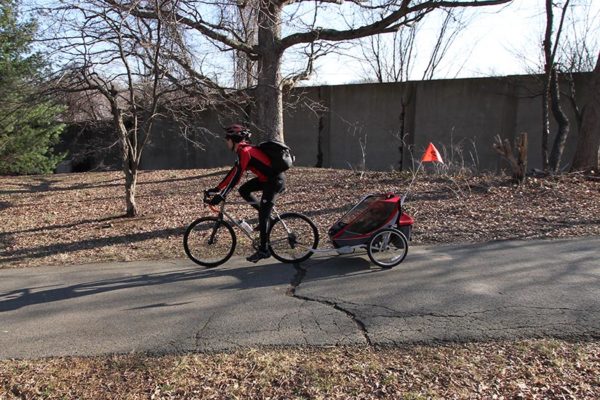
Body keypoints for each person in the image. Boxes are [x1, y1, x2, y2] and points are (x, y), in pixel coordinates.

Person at [207, 124, 286, 263]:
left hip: (274, 182)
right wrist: (217, 189)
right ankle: (266, 216)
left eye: (227, 139)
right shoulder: (242, 151)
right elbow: (233, 173)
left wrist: (221, 196)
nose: (226, 142)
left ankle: (264, 250)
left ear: (234, 139)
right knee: (244, 190)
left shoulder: (245, 152)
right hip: (266, 180)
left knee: (262, 216)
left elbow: (237, 177)